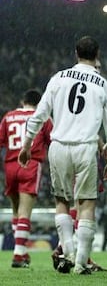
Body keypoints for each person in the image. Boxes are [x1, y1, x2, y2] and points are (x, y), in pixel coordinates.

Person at [18, 35, 107, 275]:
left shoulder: (59, 78)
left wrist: (26, 144)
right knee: (86, 204)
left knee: (61, 201)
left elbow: (40, 114)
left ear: (76, 53)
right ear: (97, 56)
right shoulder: (103, 84)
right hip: (85, 147)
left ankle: (69, 251)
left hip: (59, 146)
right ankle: (81, 262)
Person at [0, 89, 52, 268]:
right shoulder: (42, 117)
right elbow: (53, 141)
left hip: (10, 166)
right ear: (39, 104)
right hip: (30, 164)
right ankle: (18, 254)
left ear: (23, 101)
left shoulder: (8, 116)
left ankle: (21, 251)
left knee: (15, 211)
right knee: (25, 212)